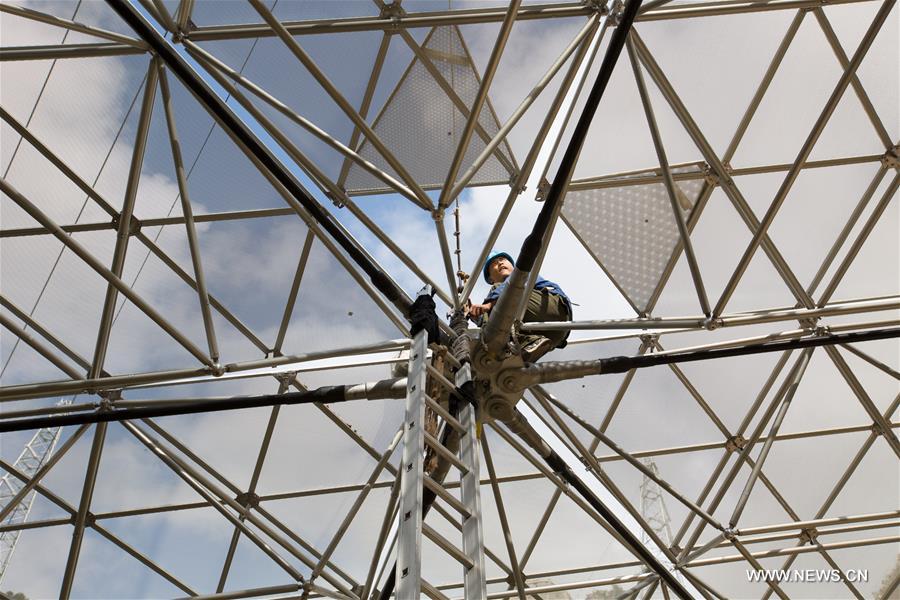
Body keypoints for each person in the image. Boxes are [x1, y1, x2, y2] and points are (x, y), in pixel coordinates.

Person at [469, 251, 572, 361]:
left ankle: (492, 352)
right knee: (498, 321)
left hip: (551, 307)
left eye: (502, 259)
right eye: (494, 263)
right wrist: (473, 314)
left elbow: (502, 294)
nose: (500, 263)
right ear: (490, 279)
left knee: (503, 294)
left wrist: (489, 305)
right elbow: (490, 322)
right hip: (552, 335)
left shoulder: (522, 275)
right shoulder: (498, 299)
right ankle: (529, 342)